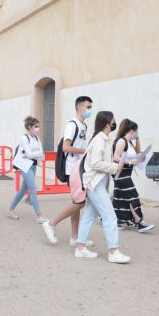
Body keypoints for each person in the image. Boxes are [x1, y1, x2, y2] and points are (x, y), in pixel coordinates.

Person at [75, 111, 131, 263]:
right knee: (110, 216)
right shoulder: (100, 140)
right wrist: (114, 167)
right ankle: (113, 251)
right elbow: (95, 163)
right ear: (107, 122)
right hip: (95, 184)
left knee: (89, 215)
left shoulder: (103, 139)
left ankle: (80, 247)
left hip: (96, 182)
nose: (114, 122)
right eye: (113, 120)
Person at [42, 96, 95, 247]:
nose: (90, 110)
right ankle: (51, 223)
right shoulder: (72, 125)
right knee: (80, 201)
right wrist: (85, 151)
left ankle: (75, 237)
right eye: (88, 107)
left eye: (91, 107)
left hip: (78, 167)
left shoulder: (83, 126)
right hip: (71, 169)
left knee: (76, 201)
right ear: (79, 107)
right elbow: (66, 147)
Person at [112, 119, 154, 232]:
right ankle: (139, 222)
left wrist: (137, 139)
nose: (137, 133)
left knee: (121, 198)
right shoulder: (122, 141)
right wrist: (130, 162)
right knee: (132, 196)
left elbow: (137, 152)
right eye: (136, 131)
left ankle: (118, 220)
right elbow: (115, 157)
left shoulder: (128, 142)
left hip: (126, 173)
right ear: (131, 131)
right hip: (120, 173)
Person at [8, 116, 47, 223]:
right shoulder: (24, 137)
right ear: (29, 127)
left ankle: (10, 210)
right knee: (33, 189)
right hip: (24, 165)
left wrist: (32, 155)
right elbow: (32, 154)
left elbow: (41, 155)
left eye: (38, 127)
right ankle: (39, 216)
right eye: (36, 126)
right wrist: (35, 154)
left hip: (33, 165)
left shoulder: (36, 138)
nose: (38, 129)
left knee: (23, 190)